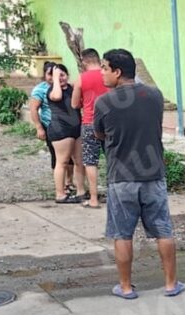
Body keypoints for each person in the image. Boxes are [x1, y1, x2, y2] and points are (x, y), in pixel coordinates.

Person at [93, 48, 184, 299]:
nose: (101, 73)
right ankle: (170, 284)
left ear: (117, 72)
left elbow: (99, 134)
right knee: (163, 230)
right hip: (153, 175)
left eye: (104, 68)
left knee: (122, 234)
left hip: (121, 178)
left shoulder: (103, 103)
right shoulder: (154, 95)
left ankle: (125, 287)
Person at [28, 62, 77, 196]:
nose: (54, 77)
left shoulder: (68, 87)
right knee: (58, 158)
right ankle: (60, 187)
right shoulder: (41, 90)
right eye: (50, 74)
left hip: (70, 128)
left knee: (71, 158)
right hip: (52, 126)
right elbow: (33, 109)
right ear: (45, 75)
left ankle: (69, 181)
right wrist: (39, 128)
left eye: (60, 74)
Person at [71, 48, 107, 208]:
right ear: (98, 60)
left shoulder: (81, 79)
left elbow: (74, 104)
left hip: (89, 123)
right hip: (110, 123)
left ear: (84, 61)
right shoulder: (109, 75)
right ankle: (116, 195)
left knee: (90, 161)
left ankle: (93, 198)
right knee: (113, 158)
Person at [46, 64, 86, 205]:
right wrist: (56, 79)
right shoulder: (52, 90)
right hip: (60, 130)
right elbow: (57, 96)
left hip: (76, 129)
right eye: (57, 75)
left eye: (63, 75)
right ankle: (60, 194)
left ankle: (81, 191)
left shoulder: (71, 88)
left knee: (79, 161)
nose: (61, 78)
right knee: (62, 162)